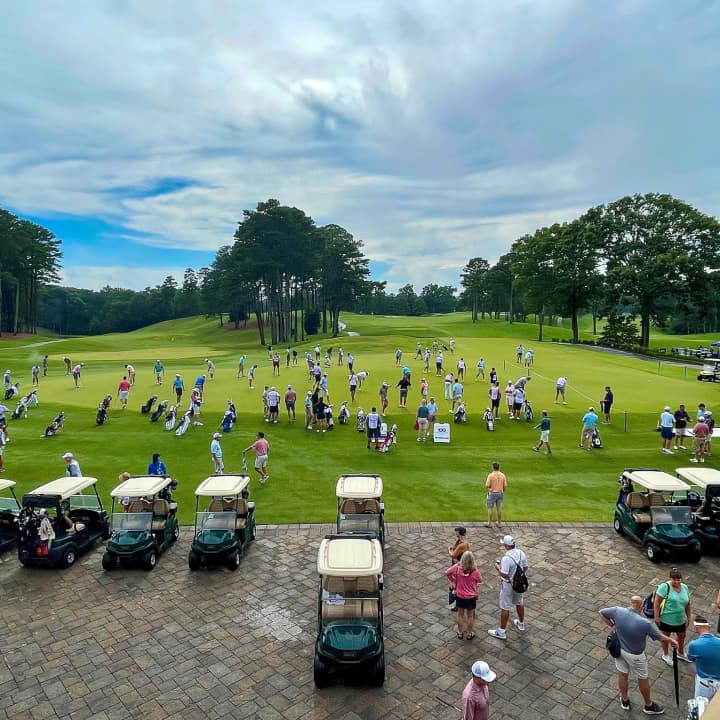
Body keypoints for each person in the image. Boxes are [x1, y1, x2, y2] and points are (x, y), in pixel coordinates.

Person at [599, 595, 677, 714]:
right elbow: (658, 637)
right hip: (636, 656)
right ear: (641, 606)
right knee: (642, 678)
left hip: (620, 650)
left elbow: (601, 612)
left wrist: (612, 626)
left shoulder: (617, 611)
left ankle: (624, 700)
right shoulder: (644, 623)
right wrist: (671, 640)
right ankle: (648, 705)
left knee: (623, 674)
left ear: (631, 603)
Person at [488, 535, 528, 639]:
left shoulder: (506, 558)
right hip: (519, 584)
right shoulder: (521, 553)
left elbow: (504, 574)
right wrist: (518, 577)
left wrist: (497, 567)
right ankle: (521, 623)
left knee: (505, 607)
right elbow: (525, 567)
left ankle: (501, 631)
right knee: (519, 602)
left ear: (506, 545)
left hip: (508, 585)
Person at [654, 567, 691, 665]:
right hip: (667, 619)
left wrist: (689, 617)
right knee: (666, 637)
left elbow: (688, 603)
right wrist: (656, 617)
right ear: (670, 578)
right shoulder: (664, 587)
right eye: (674, 579)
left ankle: (680, 653)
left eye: (678, 579)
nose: (677, 581)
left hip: (680, 619)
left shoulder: (685, 587)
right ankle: (665, 655)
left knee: (682, 636)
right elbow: (657, 603)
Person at [445, 551, 482, 640]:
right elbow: (480, 580)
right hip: (471, 597)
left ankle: (460, 633)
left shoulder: (457, 568)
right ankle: (469, 633)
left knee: (460, 614)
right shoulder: (475, 571)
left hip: (460, 596)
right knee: (470, 615)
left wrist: (453, 580)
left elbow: (447, 573)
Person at [687, 615, 720, 701]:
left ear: (696, 628)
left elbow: (690, 658)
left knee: (700, 708)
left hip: (704, 683)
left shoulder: (694, 645)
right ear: (708, 627)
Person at [447, 526, 469, 610]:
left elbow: (452, 555)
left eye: (456, 533)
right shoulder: (461, 541)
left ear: (459, 533)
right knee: (456, 584)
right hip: (458, 564)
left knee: (457, 584)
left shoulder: (462, 544)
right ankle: (457, 604)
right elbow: (454, 547)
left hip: (459, 566)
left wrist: (449, 550)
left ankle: (458, 604)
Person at [485, 462, 507, 528]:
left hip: (492, 493)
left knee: (490, 508)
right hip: (500, 493)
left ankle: (489, 523)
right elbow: (505, 485)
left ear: (493, 467)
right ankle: (499, 523)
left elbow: (487, 485)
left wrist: (490, 488)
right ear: (499, 467)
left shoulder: (490, 475)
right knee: (499, 508)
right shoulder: (503, 475)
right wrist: (503, 491)